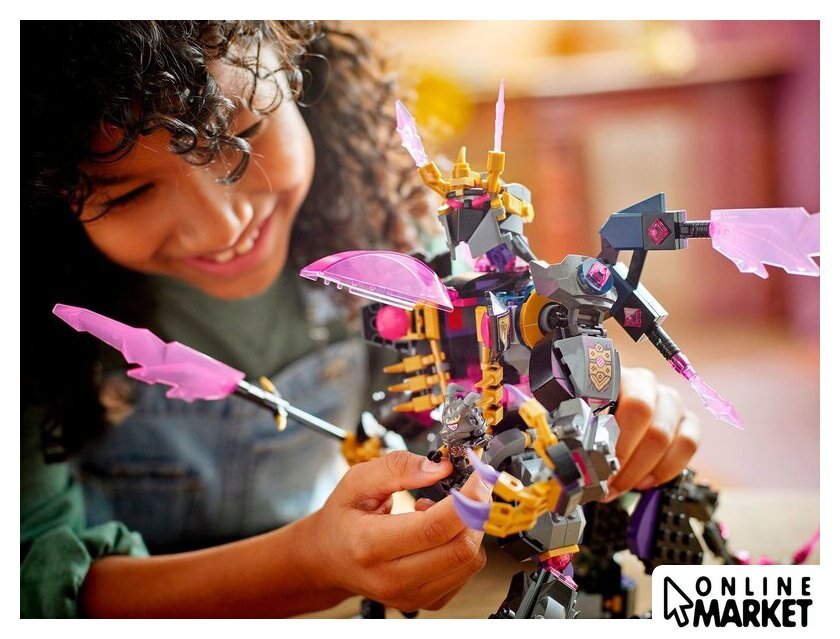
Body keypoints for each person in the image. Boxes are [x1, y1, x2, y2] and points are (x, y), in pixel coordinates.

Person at [21, 20, 700, 618]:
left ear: (300, 74)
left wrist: (588, 407)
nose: (222, 225)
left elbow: (471, 424)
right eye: (131, 192)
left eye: (244, 136)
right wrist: (309, 566)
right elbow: (30, 590)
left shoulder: (391, 246)